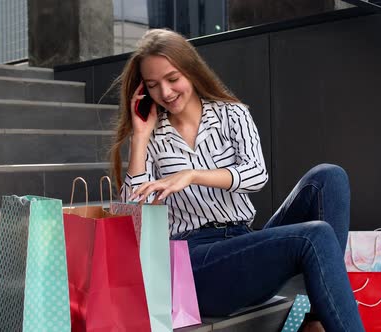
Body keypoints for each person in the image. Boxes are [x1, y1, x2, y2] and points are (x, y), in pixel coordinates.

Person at [109, 28, 364, 332]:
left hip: (243, 242)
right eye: (152, 85)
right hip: (194, 264)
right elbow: (130, 217)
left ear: (191, 70)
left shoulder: (232, 114)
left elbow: (256, 174)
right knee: (315, 235)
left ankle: (319, 318)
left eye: (172, 78)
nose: (165, 92)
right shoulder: (152, 136)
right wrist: (139, 137)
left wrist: (191, 175)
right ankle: (323, 320)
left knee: (329, 176)